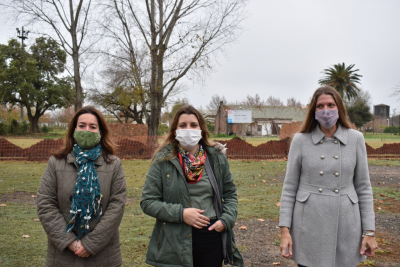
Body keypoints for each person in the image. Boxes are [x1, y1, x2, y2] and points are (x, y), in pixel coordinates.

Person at [279, 86, 378, 267]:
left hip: (346, 225)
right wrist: (285, 230)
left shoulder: (356, 139)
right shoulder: (300, 141)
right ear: (313, 110)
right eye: (320, 106)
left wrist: (369, 231)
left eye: (331, 105)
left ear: (339, 108)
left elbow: (363, 187)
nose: (326, 111)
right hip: (309, 225)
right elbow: (289, 188)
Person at [141, 105, 243, 267]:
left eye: (193, 125)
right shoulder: (162, 160)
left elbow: (230, 194)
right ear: (175, 131)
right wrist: (181, 214)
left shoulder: (217, 158)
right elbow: (148, 202)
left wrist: (226, 220)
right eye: (183, 125)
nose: (188, 129)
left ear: (201, 130)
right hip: (174, 239)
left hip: (211, 236)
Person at [37, 106, 127, 267]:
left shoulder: (114, 165)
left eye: (93, 127)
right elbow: (45, 204)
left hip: (103, 257)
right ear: (74, 130)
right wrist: (69, 241)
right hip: (62, 256)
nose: (87, 130)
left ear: (100, 132)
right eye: (82, 125)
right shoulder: (56, 163)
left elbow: (116, 207)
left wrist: (91, 244)